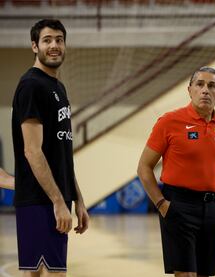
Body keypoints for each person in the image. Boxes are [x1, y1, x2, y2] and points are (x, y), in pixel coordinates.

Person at [11, 19, 89, 277]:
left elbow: (62, 151)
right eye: (47, 40)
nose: (54, 45)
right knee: (48, 273)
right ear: (35, 46)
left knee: (40, 273)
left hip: (57, 198)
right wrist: (57, 201)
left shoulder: (58, 87)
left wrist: (77, 199)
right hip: (39, 200)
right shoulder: (32, 85)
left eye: (59, 40)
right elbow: (32, 151)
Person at [137, 66, 215, 277]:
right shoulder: (169, 122)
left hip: (212, 209)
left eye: (212, 86)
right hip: (178, 207)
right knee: (185, 274)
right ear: (190, 90)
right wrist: (161, 204)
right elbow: (144, 167)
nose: (205, 90)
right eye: (200, 84)